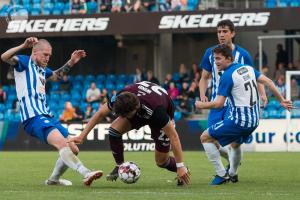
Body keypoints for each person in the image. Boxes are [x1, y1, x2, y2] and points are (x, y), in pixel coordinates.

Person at [1, 37, 102, 186]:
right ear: (35, 53)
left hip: (47, 115)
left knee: (73, 148)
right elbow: (4, 57)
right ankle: (85, 172)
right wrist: (23, 45)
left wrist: (71, 61)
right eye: (45, 54)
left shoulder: (42, 70)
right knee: (62, 143)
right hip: (33, 117)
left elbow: (55, 76)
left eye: (49, 55)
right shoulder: (24, 62)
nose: (48, 58)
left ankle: (53, 179)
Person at [195, 44, 293, 185]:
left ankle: (221, 175)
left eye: (218, 59)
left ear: (229, 58)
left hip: (238, 121)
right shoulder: (247, 68)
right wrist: (282, 100)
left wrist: (201, 104)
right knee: (235, 144)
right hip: (254, 120)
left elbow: (218, 104)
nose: (215, 62)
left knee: (205, 137)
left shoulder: (227, 76)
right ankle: (233, 174)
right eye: (214, 59)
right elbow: (269, 82)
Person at [68, 81, 191, 186]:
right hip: (142, 102)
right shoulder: (120, 97)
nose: (123, 118)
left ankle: (183, 170)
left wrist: (180, 165)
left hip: (160, 109)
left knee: (161, 162)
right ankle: (119, 165)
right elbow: (100, 113)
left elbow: (174, 136)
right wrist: (82, 135)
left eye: (125, 115)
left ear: (134, 110)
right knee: (113, 131)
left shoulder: (157, 112)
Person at [198, 19, 268, 172]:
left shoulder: (243, 55)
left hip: (236, 106)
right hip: (217, 104)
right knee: (211, 139)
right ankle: (231, 162)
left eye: (225, 31)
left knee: (235, 143)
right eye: (219, 32)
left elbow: (255, 76)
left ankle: (232, 172)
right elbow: (204, 77)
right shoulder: (210, 53)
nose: (221, 35)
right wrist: (203, 95)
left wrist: (262, 94)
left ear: (233, 33)